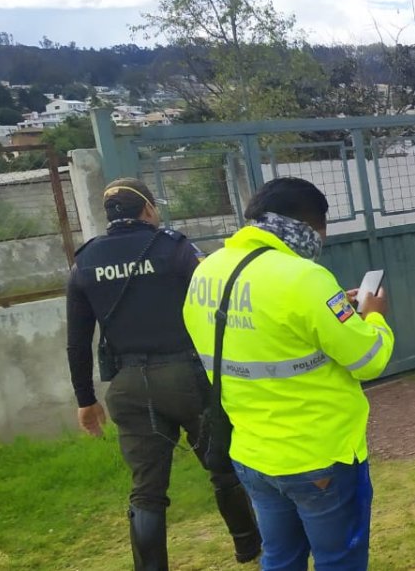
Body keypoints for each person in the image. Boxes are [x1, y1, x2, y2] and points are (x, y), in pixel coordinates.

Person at [182, 177, 395, 571]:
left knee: (281, 559)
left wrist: (336, 312)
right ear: (310, 226)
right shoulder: (304, 277)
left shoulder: (207, 271)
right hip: (319, 455)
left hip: (253, 453)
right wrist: (374, 317)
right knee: (339, 560)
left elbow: (268, 333)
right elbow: (369, 359)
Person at [66, 177, 261, 570]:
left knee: (146, 492)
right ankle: (249, 547)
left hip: (127, 386)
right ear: (149, 208)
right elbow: (216, 302)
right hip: (186, 376)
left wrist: (86, 400)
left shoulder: (85, 260)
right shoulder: (174, 248)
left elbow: (77, 339)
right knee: (222, 466)